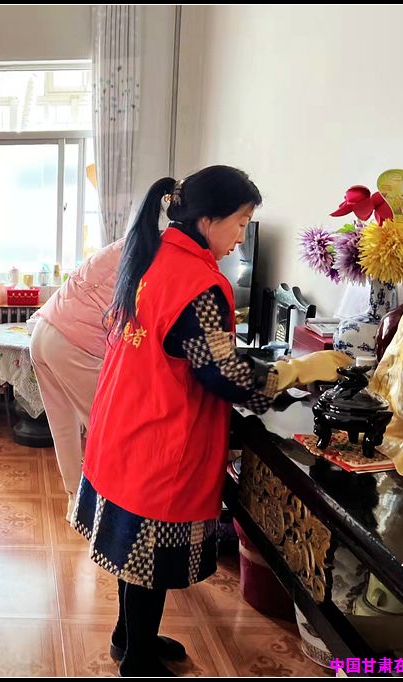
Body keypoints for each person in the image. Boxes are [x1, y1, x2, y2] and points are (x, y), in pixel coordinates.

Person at [73, 166, 351, 676]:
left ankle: (128, 638)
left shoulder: (153, 256)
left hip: (123, 426)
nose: (241, 237)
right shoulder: (200, 283)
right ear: (208, 220)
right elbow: (225, 376)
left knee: (136, 554)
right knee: (148, 558)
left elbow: (193, 353)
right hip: (158, 438)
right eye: (240, 222)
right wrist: (299, 369)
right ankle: (138, 662)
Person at [30, 238, 124, 518]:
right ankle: (109, 511)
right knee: (106, 428)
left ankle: (76, 501)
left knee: (63, 427)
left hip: (44, 331)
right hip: (73, 342)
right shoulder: (150, 255)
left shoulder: (120, 247)